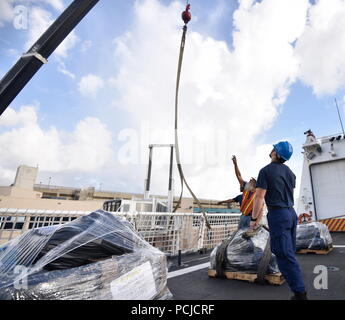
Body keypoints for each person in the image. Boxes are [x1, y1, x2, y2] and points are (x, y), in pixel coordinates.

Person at [250, 141, 307, 300]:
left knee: (284, 254)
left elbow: (259, 197)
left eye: (273, 148)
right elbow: (286, 191)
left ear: (275, 153)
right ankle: (298, 290)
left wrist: (254, 218)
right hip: (291, 214)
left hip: (278, 215)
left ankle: (300, 294)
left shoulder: (265, 171)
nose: (271, 150)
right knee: (288, 252)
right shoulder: (291, 173)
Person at [230, 156, 256, 229]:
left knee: (248, 236)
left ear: (255, 183)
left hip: (251, 218)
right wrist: (235, 164)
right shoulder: (247, 188)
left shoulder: (258, 193)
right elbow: (238, 175)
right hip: (243, 216)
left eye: (252, 180)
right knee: (240, 233)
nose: (250, 180)